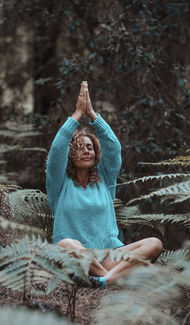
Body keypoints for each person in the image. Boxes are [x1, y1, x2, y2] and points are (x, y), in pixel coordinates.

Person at [46, 81, 163, 288]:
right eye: (80, 148)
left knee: (154, 244)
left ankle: (103, 281)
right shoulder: (60, 184)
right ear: (70, 155)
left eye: (90, 147)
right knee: (65, 243)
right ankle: (113, 277)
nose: (86, 151)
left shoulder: (105, 179)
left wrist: (92, 114)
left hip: (108, 255)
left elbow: (113, 147)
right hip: (75, 256)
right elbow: (56, 151)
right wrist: (76, 115)